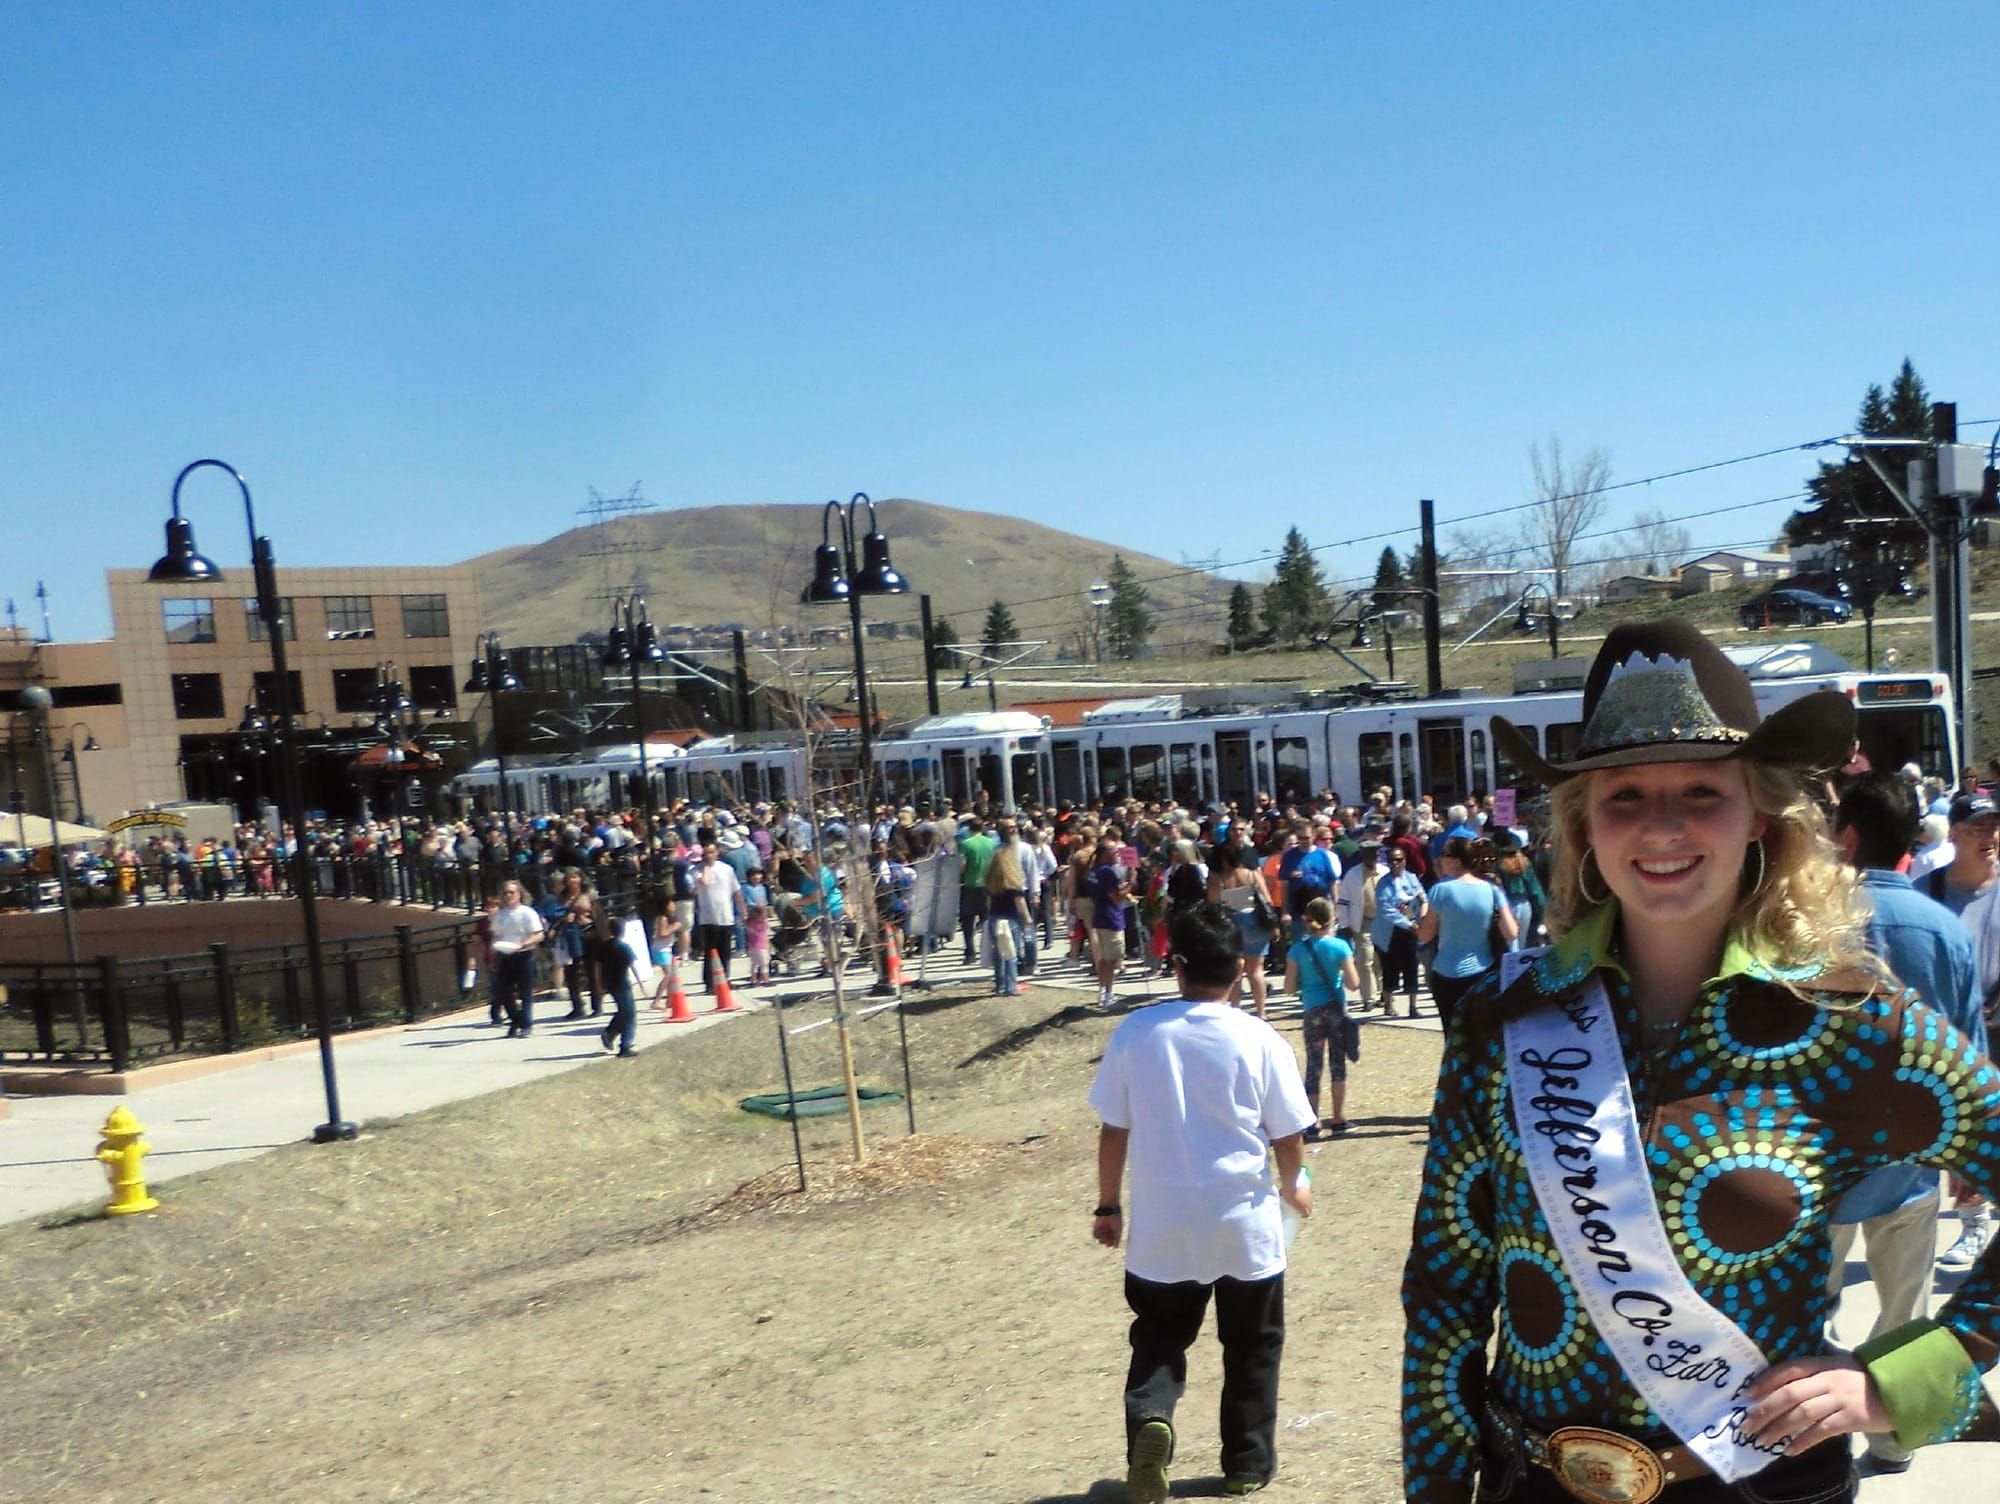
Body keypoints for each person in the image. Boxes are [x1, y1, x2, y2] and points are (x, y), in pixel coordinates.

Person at [1403, 619, 2000, 1504]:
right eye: (1625, 795)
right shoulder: (1502, 1018)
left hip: (1764, 1485)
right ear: (1584, 822)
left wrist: (1904, 1385)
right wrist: (1437, 1490)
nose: (1662, 827)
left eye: (1700, 791)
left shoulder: (1852, 1025)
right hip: (1539, 1484)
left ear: (1758, 812)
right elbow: (1446, 1290)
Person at [1089, 902, 1316, 1502]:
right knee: (1253, 1344)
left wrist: (1107, 1206)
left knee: (1159, 1336)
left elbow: (1114, 1130)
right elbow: (1288, 1134)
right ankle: (1246, 1462)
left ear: (1177, 965)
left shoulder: (1137, 1032)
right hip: (1243, 1220)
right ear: (1240, 969)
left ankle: (1152, 1418)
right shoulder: (1260, 1038)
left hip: (1163, 1224)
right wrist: (1295, 1183)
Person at [1827, 771, 1986, 1473]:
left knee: (1803, 1312)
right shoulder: (1944, 928)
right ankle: (1893, 1440)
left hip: (1821, 1163)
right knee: (1906, 1314)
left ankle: (1812, 1439)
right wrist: (1972, 1159)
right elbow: (1970, 1051)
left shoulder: (1810, 926)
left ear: (1847, 837)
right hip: (1915, 1163)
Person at [1414, 835, 1516, 1030]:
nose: (1440, 859)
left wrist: (1418, 922)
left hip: (1446, 973)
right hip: (1482, 971)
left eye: (1444, 855)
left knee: (1452, 1035)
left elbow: (1425, 936)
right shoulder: (1491, 889)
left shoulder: (1440, 890)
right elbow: (1511, 932)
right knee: (1480, 1033)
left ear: (1457, 861)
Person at [1283, 896, 1359, 1137]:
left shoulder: (1298, 949)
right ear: (1332, 919)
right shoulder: (1340, 946)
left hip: (1312, 1011)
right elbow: (1353, 983)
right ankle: (1338, 1118)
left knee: (1313, 1065)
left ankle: (1312, 1120)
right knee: (1338, 1064)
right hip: (1335, 1010)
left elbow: (1288, 987)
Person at [1208, 842, 1278, 1018]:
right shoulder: (1252, 874)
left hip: (1232, 923)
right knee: (1256, 971)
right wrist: (1274, 926)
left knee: (1236, 972)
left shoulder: (1218, 879)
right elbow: (1267, 899)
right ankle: (1261, 1011)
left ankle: (1236, 1009)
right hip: (1256, 921)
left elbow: (1213, 904)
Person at [1371, 845, 1427, 1017]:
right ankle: (1388, 1004)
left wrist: (1422, 916)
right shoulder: (1383, 883)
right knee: (1390, 969)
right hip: (1390, 932)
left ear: (1405, 861)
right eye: (1392, 860)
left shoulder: (1412, 878)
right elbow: (1386, 910)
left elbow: (1422, 897)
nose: (1395, 863)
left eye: (1399, 860)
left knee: (1412, 967)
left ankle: (1413, 1007)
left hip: (1411, 931)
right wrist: (1407, 924)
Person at [487, 879, 546, 1038]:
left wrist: (523, 944)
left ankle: (526, 1024)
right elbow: (496, 934)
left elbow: (538, 934)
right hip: (505, 955)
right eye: (505, 893)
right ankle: (516, 1019)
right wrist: (494, 948)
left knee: (525, 992)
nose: (508, 895)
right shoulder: (500, 914)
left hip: (524, 954)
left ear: (519, 894)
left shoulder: (527, 912)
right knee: (503, 992)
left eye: (512, 892)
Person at [690, 838, 745, 992]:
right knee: (710, 951)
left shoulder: (726, 869)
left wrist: (743, 910)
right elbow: (700, 885)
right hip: (708, 918)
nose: (708, 855)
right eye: (706, 853)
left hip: (725, 915)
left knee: (725, 951)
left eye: (711, 852)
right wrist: (705, 868)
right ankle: (710, 983)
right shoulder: (695, 871)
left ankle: (724, 979)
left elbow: (736, 891)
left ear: (717, 853)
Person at [586, 910, 642, 1057]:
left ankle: (610, 1033)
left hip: (609, 984)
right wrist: (640, 983)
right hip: (622, 984)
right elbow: (633, 966)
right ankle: (625, 1045)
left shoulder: (604, 946)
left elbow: (597, 966)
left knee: (623, 1011)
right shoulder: (624, 947)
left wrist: (599, 985)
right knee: (629, 1015)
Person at [1334, 841, 1381, 1009]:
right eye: (1369, 853)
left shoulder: (1384, 872)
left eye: (1375, 853)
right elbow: (1343, 901)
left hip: (1383, 923)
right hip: (1362, 922)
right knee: (1365, 959)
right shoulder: (1352, 875)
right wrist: (1345, 923)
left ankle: (1381, 993)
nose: (1373, 857)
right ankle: (1369, 998)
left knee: (1378, 960)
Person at [1088, 838, 1132, 1009]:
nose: (1117, 854)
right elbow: (1115, 897)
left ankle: (1103, 990)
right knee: (1112, 959)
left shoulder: (1094, 870)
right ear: (1104, 853)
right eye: (1114, 851)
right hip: (1111, 917)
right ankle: (1108, 993)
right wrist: (1128, 886)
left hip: (1099, 916)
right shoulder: (1108, 872)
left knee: (1105, 958)